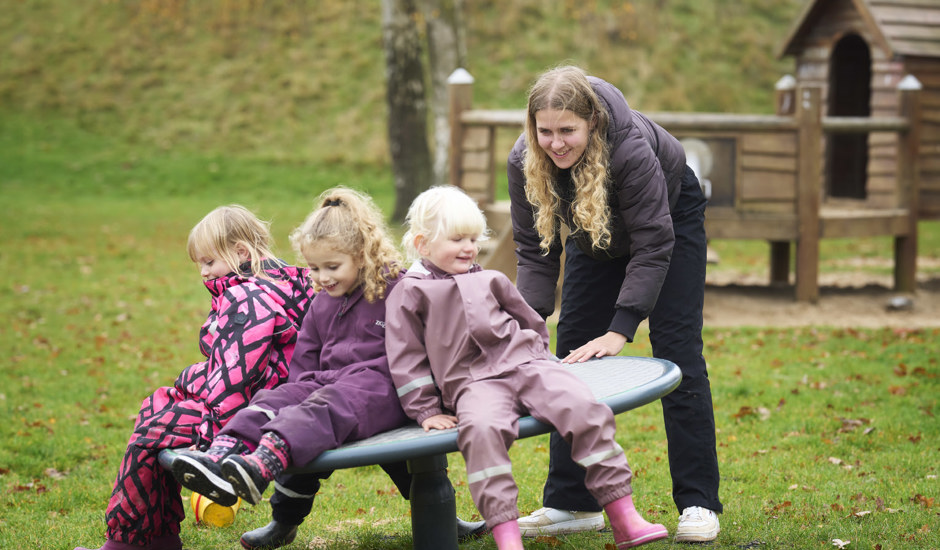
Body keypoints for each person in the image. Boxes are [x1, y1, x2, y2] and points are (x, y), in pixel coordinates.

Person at [168, 188, 484, 549]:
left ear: (362, 254)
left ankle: (262, 465)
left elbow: (438, 338)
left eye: (332, 267)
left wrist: (436, 399)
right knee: (279, 398)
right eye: (315, 268)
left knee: (322, 410)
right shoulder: (322, 301)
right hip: (330, 384)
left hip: (382, 386)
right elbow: (305, 359)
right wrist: (295, 395)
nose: (322, 277)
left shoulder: (398, 288)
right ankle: (221, 455)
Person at [506, 65, 722, 543]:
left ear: (592, 123)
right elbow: (536, 249)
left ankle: (698, 500)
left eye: (568, 131)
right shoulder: (526, 158)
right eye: (546, 131)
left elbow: (653, 242)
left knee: (677, 351)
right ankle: (571, 502)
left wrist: (622, 327)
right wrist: (526, 321)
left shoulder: (628, 149)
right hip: (594, 227)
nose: (556, 143)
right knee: (571, 356)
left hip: (668, 220)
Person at [386, 185, 668, 550]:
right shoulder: (410, 292)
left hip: (528, 366)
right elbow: (406, 356)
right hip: (473, 385)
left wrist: (538, 357)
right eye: (457, 239)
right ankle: (507, 537)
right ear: (423, 244)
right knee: (482, 433)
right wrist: (425, 408)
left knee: (583, 407)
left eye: (474, 238)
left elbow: (529, 321)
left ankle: (624, 516)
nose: (469, 247)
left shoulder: (491, 279)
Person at [75, 205, 315, 550]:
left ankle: (139, 541)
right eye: (199, 265)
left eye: (209, 262)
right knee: (158, 403)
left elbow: (237, 377)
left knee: (152, 428)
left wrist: (217, 441)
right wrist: (190, 380)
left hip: (248, 417)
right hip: (279, 400)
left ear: (241, 252)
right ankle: (151, 537)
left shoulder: (244, 296)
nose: (203, 273)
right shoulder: (284, 282)